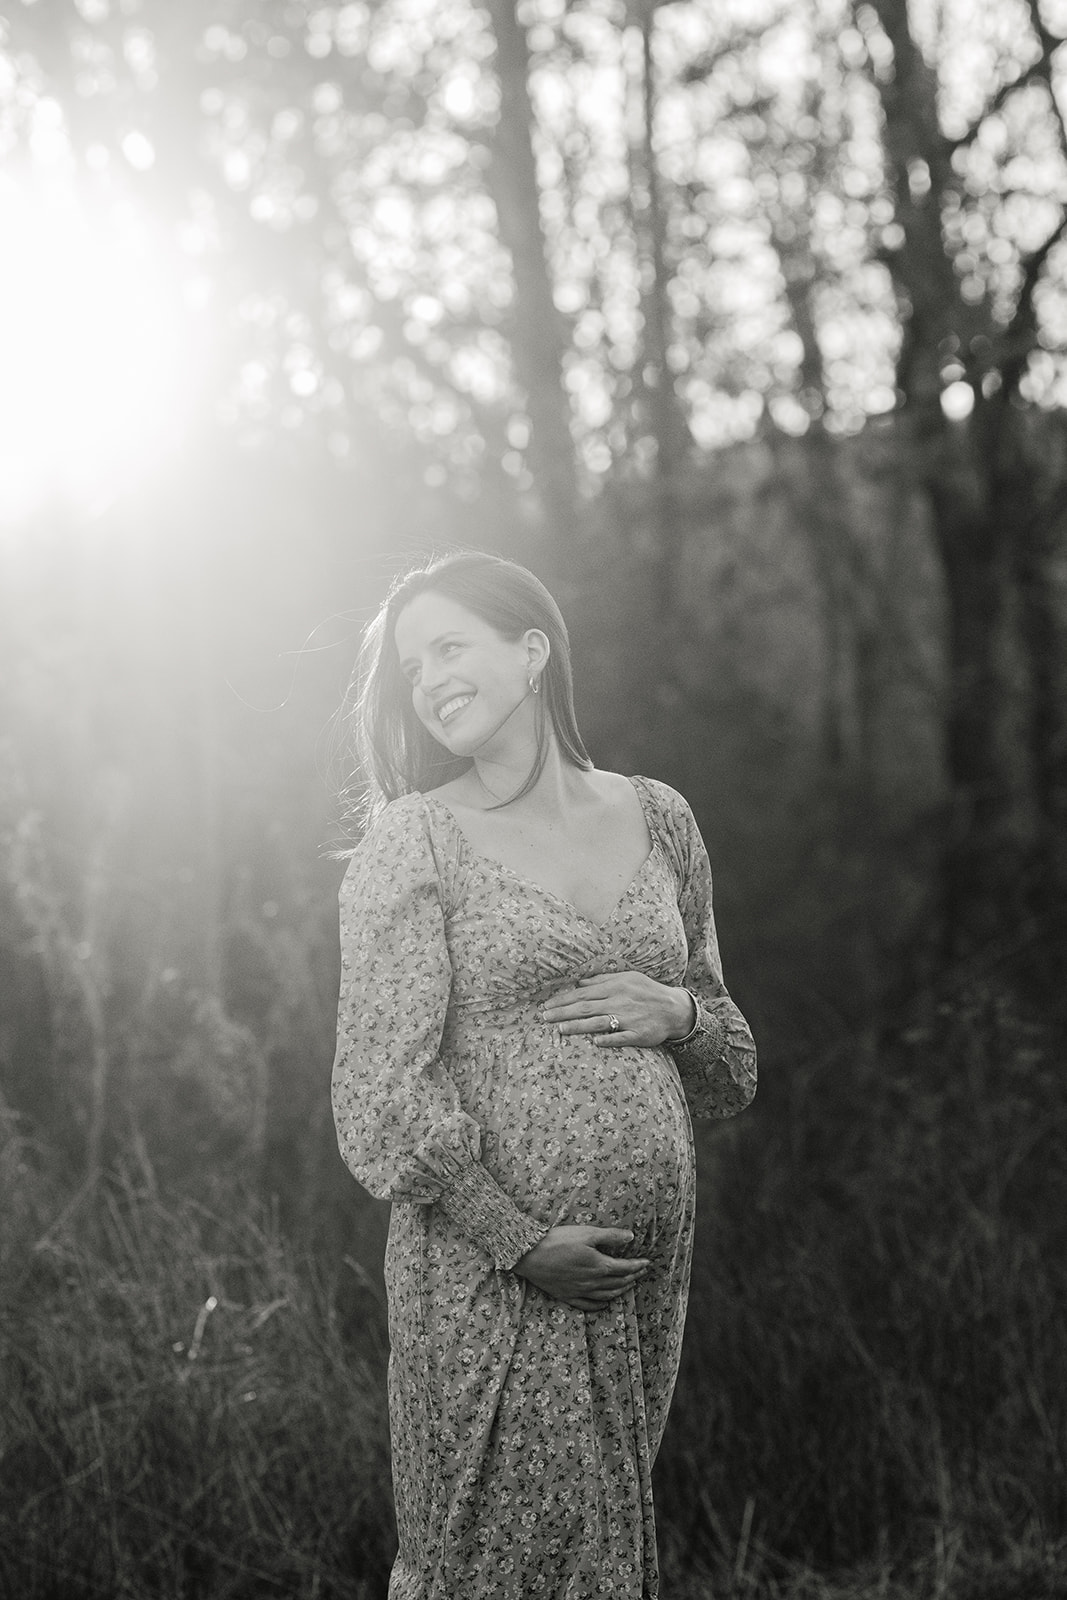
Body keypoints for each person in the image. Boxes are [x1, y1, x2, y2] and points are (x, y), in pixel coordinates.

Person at [331, 550, 756, 1600]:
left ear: (530, 652)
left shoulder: (660, 817)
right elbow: (379, 1090)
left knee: (595, 1556)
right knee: (494, 1563)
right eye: (410, 666)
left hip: (632, 1285)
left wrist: (679, 1011)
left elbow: (733, 1061)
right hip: (485, 1270)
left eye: (449, 646)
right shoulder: (417, 839)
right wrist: (520, 1243)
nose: (426, 680)